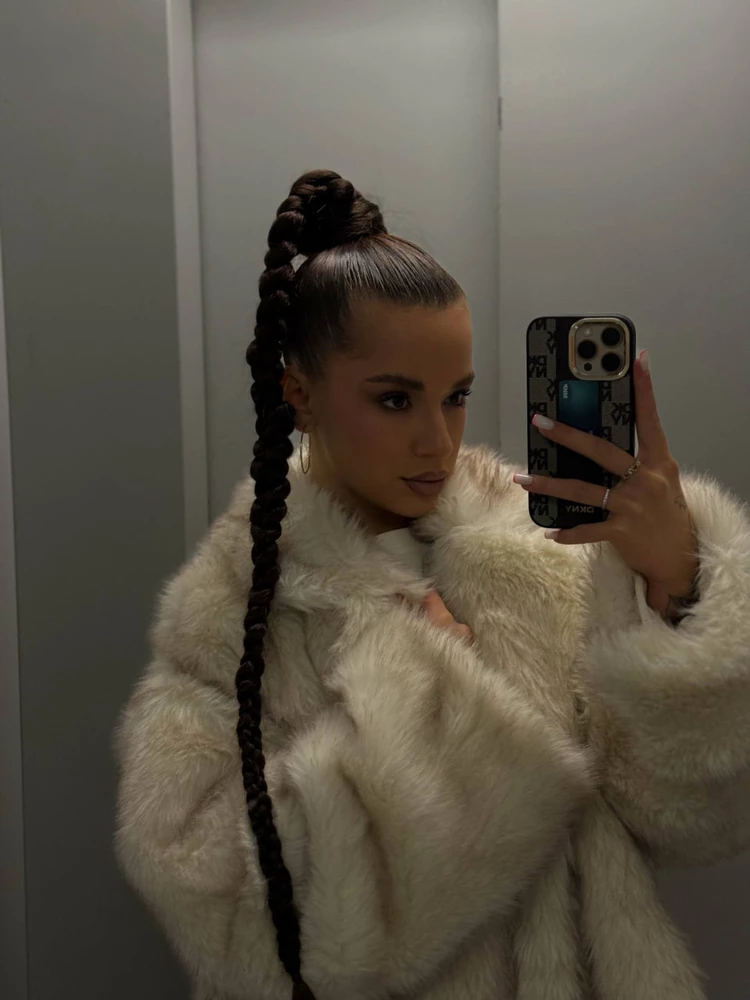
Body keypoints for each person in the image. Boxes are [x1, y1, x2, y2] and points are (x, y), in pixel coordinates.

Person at [114, 170, 750, 1000]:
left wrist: (674, 588)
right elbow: (237, 929)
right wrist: (422, 710)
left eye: (456, 397)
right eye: (394, 400)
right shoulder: (232, 619)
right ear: (299, 394)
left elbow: (684, 822)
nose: (437, 440)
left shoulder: (541, 557)